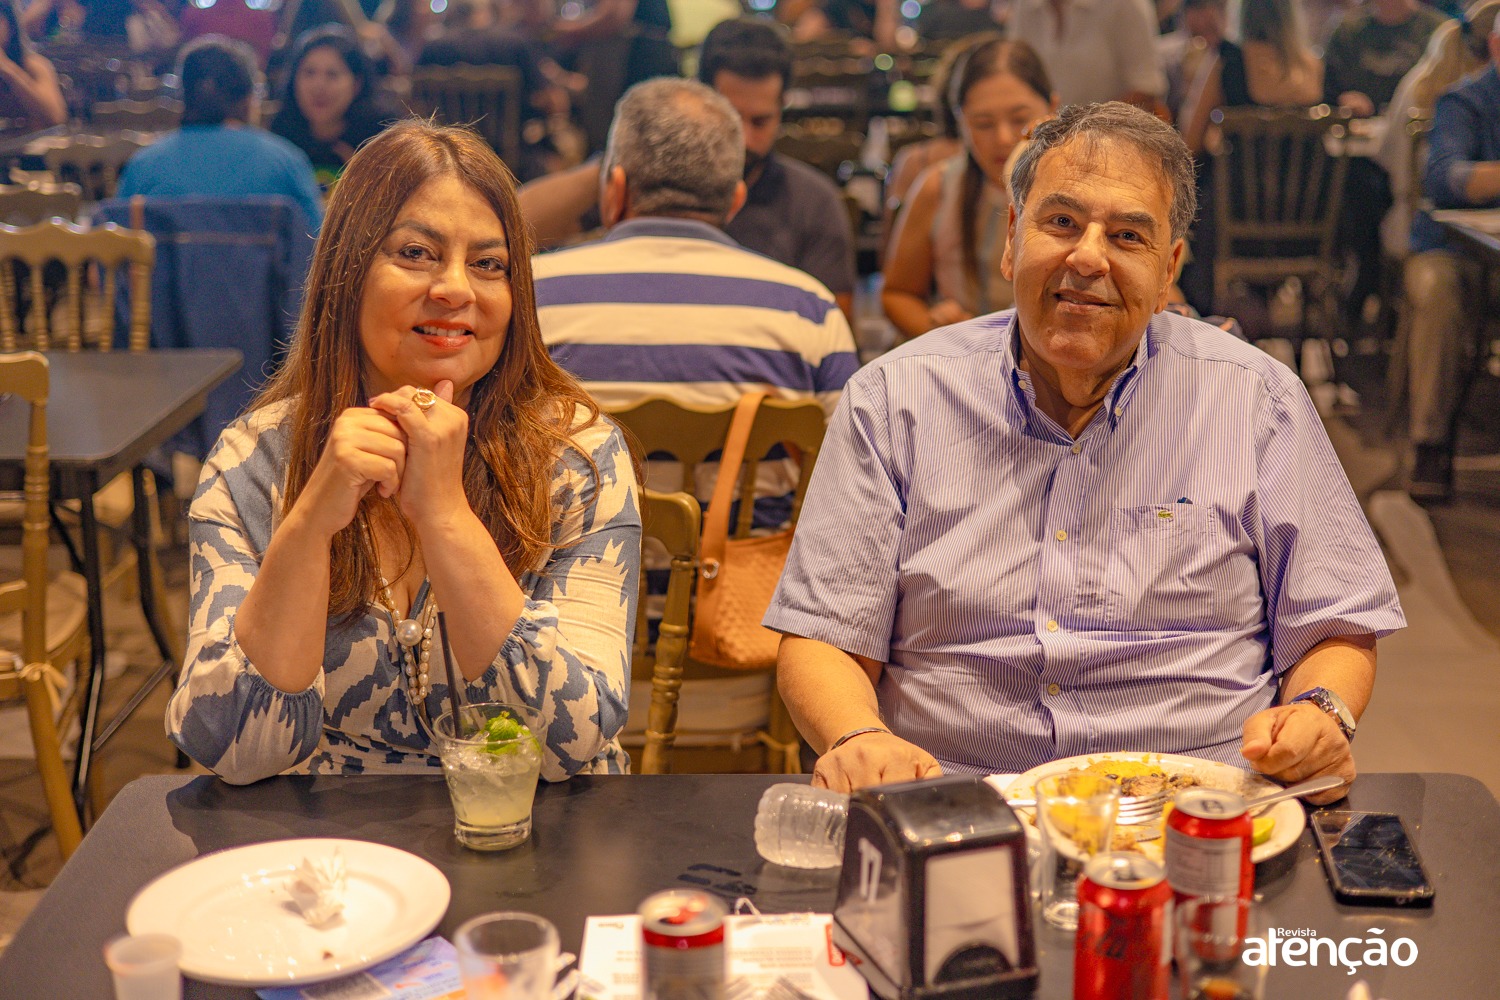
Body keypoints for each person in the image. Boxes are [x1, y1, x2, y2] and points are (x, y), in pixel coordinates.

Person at [765, 101, 1405, 800]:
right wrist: (858, 736)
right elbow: (822, 634)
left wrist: (1319, 713)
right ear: (1012, 240)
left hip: (1198, 803)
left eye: (1128, 236)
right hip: (958, 805)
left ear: (1168, 271)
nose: (1088, 257)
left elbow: (1335, 623)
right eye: (1062, 223)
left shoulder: (1257, 400)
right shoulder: (892, 399)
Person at [166, 120, 641, 784]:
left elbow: (571, 742)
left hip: (537, 824)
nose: (456, 288)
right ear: (347, 272)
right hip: (332, 836)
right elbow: (232, 748)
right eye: (417, 253)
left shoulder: (578, 455)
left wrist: (446, 516)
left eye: (489, 264)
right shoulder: (257, 458)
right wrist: (308, 525)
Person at [535, 78, 857, 428]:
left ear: (616, 191)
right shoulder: (811, 311)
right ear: (736, 201)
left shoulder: (530, 294)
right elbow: (845, 452)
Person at [518, 18, 858, 317]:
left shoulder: (812, 201)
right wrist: (624, 159)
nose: (743, 139)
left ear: (783, 107)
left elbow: (833, 320)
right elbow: (517, 226)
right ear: (699, 97)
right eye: (730, 116)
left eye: (760, 121)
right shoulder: (649, 177)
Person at [882, 37, 1055, 337]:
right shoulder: (940, 187)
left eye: (1020, 119)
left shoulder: (1082, 189)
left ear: (1053, 108)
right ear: (960, 121)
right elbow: (897, 293)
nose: (1003, 138)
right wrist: (938, 329)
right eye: (983, 124)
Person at [1401, 15, 1500, 500]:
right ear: (1496, 47)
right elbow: (1445, 177)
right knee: (1438, 289)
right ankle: (1431, 444)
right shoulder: (1464, 100)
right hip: (1451, 249)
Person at [118, 36, 325, 231]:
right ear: (249, 99)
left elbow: (114, 245)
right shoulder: (287, 163)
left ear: (184, 99)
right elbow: (318, 245)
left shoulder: (143, 166)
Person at [270, 26, 396, 190]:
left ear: (357, 84)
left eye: (332, 74)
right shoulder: (281, 132)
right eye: (309, 73)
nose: (318, 86)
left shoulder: (381, 136)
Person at [1007, 0, 1167, 109]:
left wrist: (1083, 132)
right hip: (1044, 136)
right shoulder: (1024, 5)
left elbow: (1146, 88)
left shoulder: (1125, 4)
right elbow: (1014, 73)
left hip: (1110, 138)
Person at [1324, 0, 1449, 117]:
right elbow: (1330, 93)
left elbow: (1446, 93)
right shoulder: (1347, 31)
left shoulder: (1440, 31)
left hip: (1414, 126)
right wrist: (1345, 100)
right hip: (1358, 126)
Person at [0, 0, 64, 131]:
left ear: (11, 26)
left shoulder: (33, 65)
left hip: (30, 142)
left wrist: (7, 68)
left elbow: (56, 118)